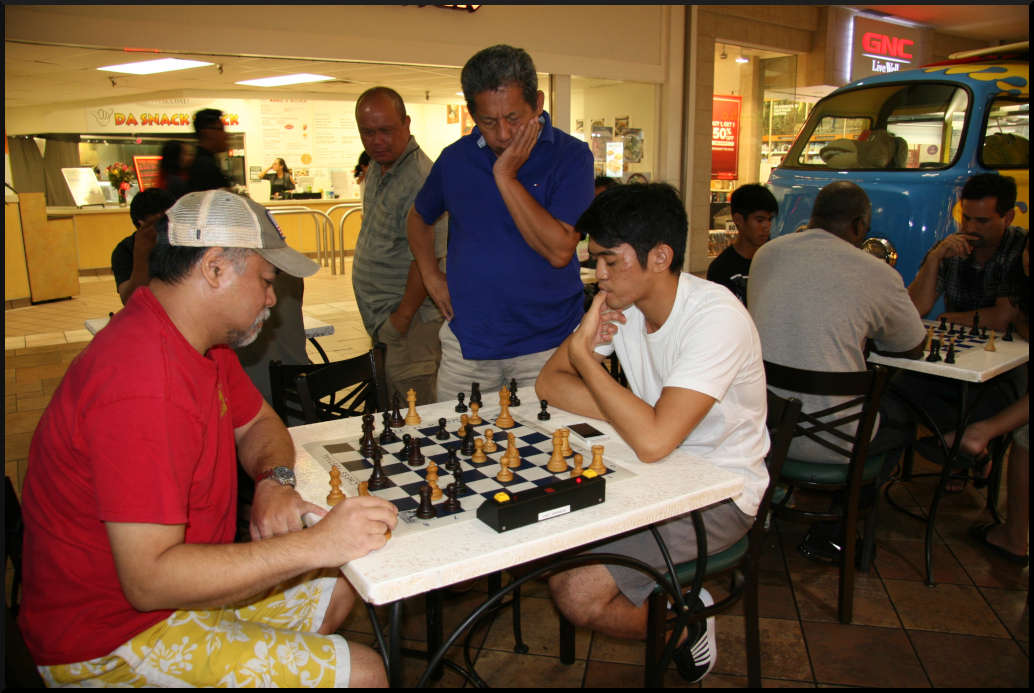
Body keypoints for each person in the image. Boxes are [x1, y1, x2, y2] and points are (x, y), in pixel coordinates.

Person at [19, 189, 397, 687]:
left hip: (175, 595)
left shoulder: (197, 340)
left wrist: (274, 481)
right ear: (215, 268)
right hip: (110, 639)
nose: (271, 298)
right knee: (364, 672)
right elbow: (148, 582)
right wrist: (315, 544)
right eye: (265, 280)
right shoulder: (140, 382)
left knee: (340, 579)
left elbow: (261, 425)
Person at [537, 183, 769, 684]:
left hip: (720, 494)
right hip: (653, 473)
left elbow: (652, 438)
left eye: (609, 261)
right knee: (542, 535)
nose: (597, 275)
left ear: (660, 256)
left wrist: (586, 361)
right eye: (593, 259)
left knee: (575, 591)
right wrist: (635, 412)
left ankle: (687, 623)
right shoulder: (625, 303)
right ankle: (678, 602)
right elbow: (549, 384)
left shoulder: (715, 316)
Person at [748, 181, 926, 561]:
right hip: (837, 443)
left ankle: (782, 497)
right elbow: (912, 345)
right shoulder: (877, 273)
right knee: (904, 413)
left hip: (764, 427)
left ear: (813, 216)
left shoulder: (766, 254)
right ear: (861, 226)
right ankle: (837, 527)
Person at [408, 44, 594, 401]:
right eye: (489, 122)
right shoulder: (456, 159)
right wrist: (431, 276)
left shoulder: (571, 157)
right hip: (469, 344)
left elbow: (559, 250)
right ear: (471, 113)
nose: (504, 134)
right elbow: (418, 219)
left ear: (538, 103)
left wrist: (505, 176)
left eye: (514, 118)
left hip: (548, 345)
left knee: (546, 450)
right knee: (458, 446)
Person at [352, 87, 447, 404]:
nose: (377, 141)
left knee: (415, 422)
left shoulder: (421, 178)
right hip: (387, 322)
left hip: (411, 326)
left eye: (386, 131)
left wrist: (402, 318)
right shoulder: (380, 169)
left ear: (406, 124)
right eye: (367, 133)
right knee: (392, 413)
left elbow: (426, 258)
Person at [908, 173, 1027, 330]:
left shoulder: (1022, 248)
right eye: (966, 218)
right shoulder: (950, 248)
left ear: (1008, 218)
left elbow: (1004, 318)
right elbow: (913, 309)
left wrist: (947, 318)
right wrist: (934, 258)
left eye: (982, 221)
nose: (970, 228)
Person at [706, 183, 778, 304]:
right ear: (738, 220)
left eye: (770, 219)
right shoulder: (721, 269)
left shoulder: (776, 261)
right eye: (759, 220)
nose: (766, 226)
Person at [111, 188, 174, 305]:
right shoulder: (125, 250)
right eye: (159, 223)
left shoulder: (183, 242)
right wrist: (142, 253)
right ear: (141, 224)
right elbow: (130, 300)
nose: (166, 229)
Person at [187, 108, 232, 192]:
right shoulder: (205, 165)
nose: (226, 135)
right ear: (207, 132)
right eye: (221, 129)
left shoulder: (203, 162)